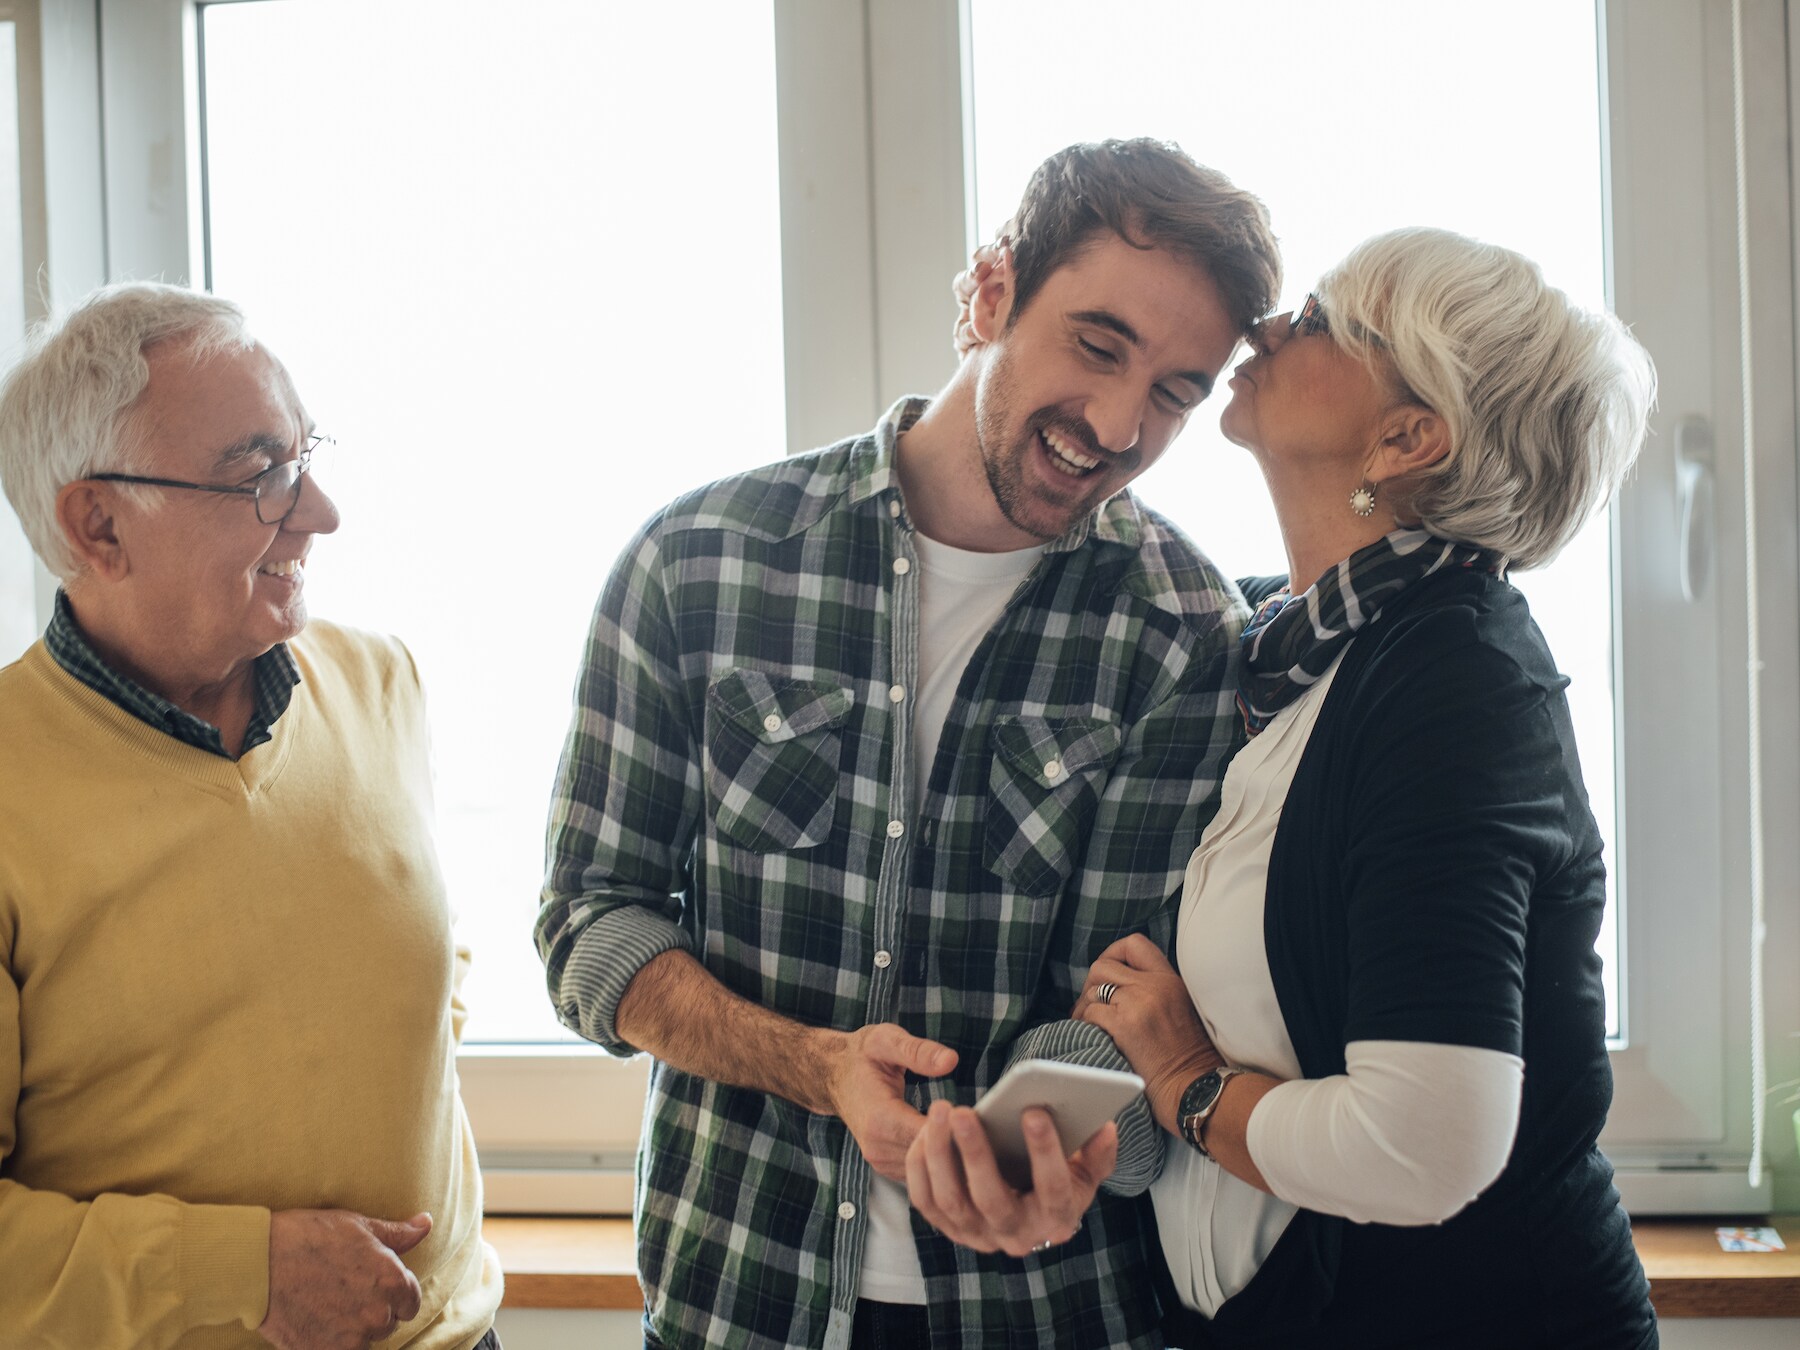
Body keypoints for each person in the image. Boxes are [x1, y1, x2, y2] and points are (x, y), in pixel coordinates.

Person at [534, 138, 1282, 1350]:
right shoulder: (699, 561)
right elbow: (588, 924)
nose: (1115, 423)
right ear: (991, 292)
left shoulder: (1187, 631)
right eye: (1097, 347)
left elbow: (1132, 995)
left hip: (1049, 1314)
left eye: (1175, 393)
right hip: (739, 1296)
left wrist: (1060, 1146)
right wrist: (813, 1063)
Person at [920, 226, 1658, 1346]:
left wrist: (1183, 1078)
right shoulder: (1287, 651)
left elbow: (1421, 1152)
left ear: (1406, 437)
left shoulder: (1453, 684)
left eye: (1318, 320)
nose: (1267, 330)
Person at [0, 284, 502, 1350]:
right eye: (260, 475)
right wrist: (242, 1276)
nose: (319, 512)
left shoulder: (380, 681)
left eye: (306, 454)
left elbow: (424, 990)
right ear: (98, 524)